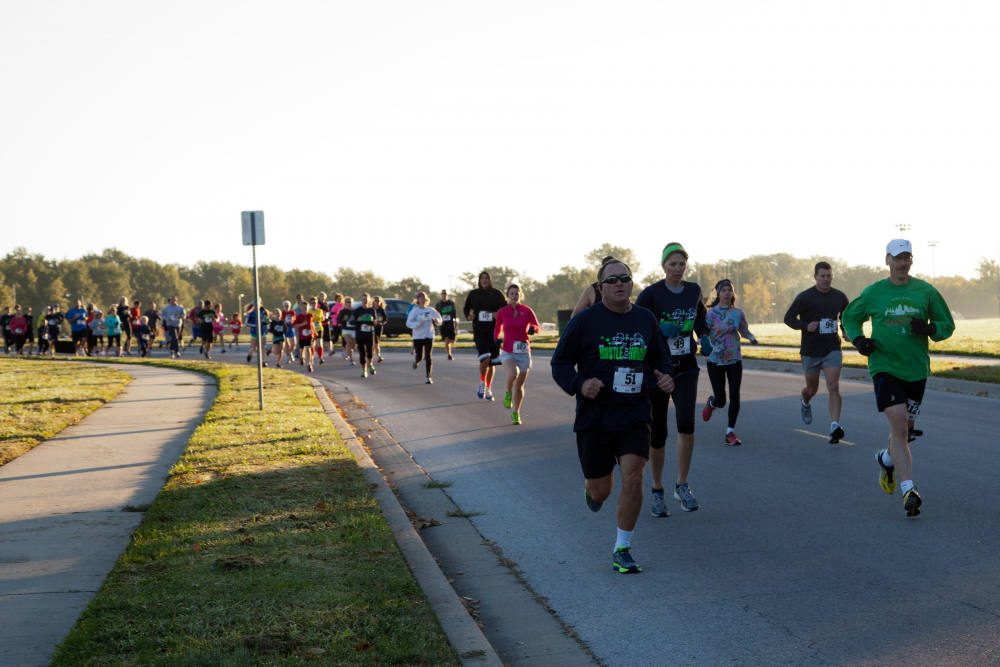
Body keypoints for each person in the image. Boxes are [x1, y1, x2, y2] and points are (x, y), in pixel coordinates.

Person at [551, 260, 675, 574]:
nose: (620, 283)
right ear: (601, 287)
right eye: (612, 280)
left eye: (625, 278)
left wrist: (665, 376)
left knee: (634, 477)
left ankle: (622, 548)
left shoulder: (645, 319)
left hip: (634, 412)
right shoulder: (584, 321)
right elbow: (560, 362)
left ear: (631, 283)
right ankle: (593, 490)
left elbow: (661, 355)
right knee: (601, 490)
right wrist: (579, 383)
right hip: (595, 415)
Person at [843, 239, 955, 518]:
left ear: (912, 261)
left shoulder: (926, 291)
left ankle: (885, 459)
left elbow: (947, 325)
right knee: (901, 427)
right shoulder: (874, 292)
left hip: (916, 370)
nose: (902, 263)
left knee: (903, 432)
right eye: (897, 258)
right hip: (884, 366)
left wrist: (930, 328)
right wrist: (858, 340)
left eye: (906, 258)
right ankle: (909, 491)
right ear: (887, 261)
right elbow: (849, 316)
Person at [635, 243, 710, 516]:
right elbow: (635, 322)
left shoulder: (693, 291)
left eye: (681, 265)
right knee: (658, 433)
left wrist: (705, 336)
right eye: (672, 265)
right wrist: (658, 326)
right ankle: (657, 490)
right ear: (663, 266)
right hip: (657, 369)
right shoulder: (651, 294)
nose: (677, 269)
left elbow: (700, 318)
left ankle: (682, 484)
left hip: (686, 366)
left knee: (687, 426)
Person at [784, 261, 852, 443]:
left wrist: (846, 331)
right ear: (815, 277)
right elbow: (788, 318)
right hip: (810, 350)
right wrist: (806, 326)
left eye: (829, 275)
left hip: (832, 347)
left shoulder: (839, 297)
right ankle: (805, 401)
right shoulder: (805, 297)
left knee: (833, 386)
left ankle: (834, 426)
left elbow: (845, 316)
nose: (826, 279)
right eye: (822, 276)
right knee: (812, 389)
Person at [701, 279, 757, 445]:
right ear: (718, 293)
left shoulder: (738, 313)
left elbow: (743, 329)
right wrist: (702, 343)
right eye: (723, 290)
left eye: (729, 290)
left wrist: (751, 338)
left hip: (734, 358)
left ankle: (730, 432)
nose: (727, 293)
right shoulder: (710, 314)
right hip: (715, 359)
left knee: (735, 395)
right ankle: (712, 403)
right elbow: (703, 334)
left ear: (733, 293)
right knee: (722, 400)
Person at [494, 284, 540, 425]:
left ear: (520, 295)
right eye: (512, 293)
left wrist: (533, 329)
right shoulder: (502, 312)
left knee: (519, 387)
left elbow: (537, 326)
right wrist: (497, 338)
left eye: (517, 293)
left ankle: (516, 412)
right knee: (513, 373)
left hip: (523, 353)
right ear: (508, 296)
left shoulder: (527, 311)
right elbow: (497, 329)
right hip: (508, 351)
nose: (514, 296)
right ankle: (508, 391)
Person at [463, 271, 507, 400]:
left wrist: (497, 313)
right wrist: (468, 316)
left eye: (486, 278)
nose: (484, 280)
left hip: (494, 331)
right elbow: (466, 308)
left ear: (490, 280)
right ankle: (481, 384)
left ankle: (488, 389)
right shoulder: (473, 294)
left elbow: (505, 309)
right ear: (479, 280)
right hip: (479, 330)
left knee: (492, 362)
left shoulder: (497, 293)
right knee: (485, 359)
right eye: (482, 278)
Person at [406, 292, 442, 384]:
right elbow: (408, 323)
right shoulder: (415, 311)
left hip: (429, 335)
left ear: (426, 300)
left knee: (429, 356)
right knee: (420, 356)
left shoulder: (430, 310)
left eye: (424, 299)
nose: (423, 300)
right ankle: (416, 361)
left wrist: (437, 321)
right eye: (421, 299)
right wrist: (418, 323)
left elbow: (439, 318)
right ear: (417, 300)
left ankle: (428, 377)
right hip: (418, 336)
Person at [354, 294, 378, 378]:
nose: (365, 301)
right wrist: (358, 320)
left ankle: (370, 364)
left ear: (369, 300)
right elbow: (351, 322)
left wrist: (374, 321)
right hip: (360, 335)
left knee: (370, 351)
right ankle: (364, 370)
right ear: (361, 300)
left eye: (366, 299)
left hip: (369, 334)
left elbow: (375, 321)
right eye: (363, 299)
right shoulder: (357, 310)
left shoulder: (372, 310)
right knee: (362, 353)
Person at [293, 300, 317, 372]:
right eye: (303, 307)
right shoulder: (299, 316)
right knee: (301, 349)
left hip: (309, 334)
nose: (304, 308)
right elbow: (295, 326)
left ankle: (309, 363)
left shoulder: (310, 315)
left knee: (308, 348)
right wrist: (302, 324)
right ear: (301, 308)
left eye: (306, 307)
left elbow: (312, 324)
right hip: (302, 335)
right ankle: (301, 357)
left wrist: (314, 332)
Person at [435, 289, 459, 360]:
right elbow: (436, 314)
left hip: (451, 324)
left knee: (452, 340)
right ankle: (449, 354)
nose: (444, 295)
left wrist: (455, 320)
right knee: (447, 341)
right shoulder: (439, 304)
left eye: (445, 294)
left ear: (447, 295)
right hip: (444, 325)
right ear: (441, 295)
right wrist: (439, 322)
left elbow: (454, 313)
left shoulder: (451, 303)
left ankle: (449, 351)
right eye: (442, 294)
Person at [244, 302, 268, 367]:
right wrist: (255, 325)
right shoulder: (251, 313)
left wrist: (267, 321)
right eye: (255, 304)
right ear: (253, 305)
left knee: (262, 347)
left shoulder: (262, 312)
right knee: (255, 348)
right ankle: (250, 354)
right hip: (254, 332)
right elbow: (246, 323)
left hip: (261, 332)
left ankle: (262, 362)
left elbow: (264, 321)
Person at [307, 297, 327, 364]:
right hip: (312, 329)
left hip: (319, 328)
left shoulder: (320, 311)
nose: (314, 304)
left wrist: (322, 318)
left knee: (319, 342)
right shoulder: (309, 311)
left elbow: (322, 318)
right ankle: (311, 356)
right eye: (312, 303)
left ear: (317, 303)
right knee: (312, 344)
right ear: (310, 303)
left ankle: (320, 358)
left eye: (315, 302)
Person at [337, 297, 356, 365]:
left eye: (350, 301)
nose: (349, 303)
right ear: (345, 303)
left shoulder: (355, 311)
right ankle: (351, 360)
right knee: (349, 344)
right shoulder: (342, 311)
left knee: (353, 346)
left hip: (354, 330)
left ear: (352, 303)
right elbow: (338, 320)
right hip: (346, 329)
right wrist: (344, 320)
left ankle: (348, 349)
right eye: (347, 302)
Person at [372, 296, 388, 363]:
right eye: (376, 300)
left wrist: (381, 322)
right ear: (373, 301)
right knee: (374, 342)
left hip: (379, 328)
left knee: (376, 343)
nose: (377, 302)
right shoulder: (371, 309)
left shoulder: (381, 310)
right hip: (372, 328)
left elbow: (385, 319)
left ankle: (376, 356)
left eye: (378, 300)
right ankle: (378, 356)